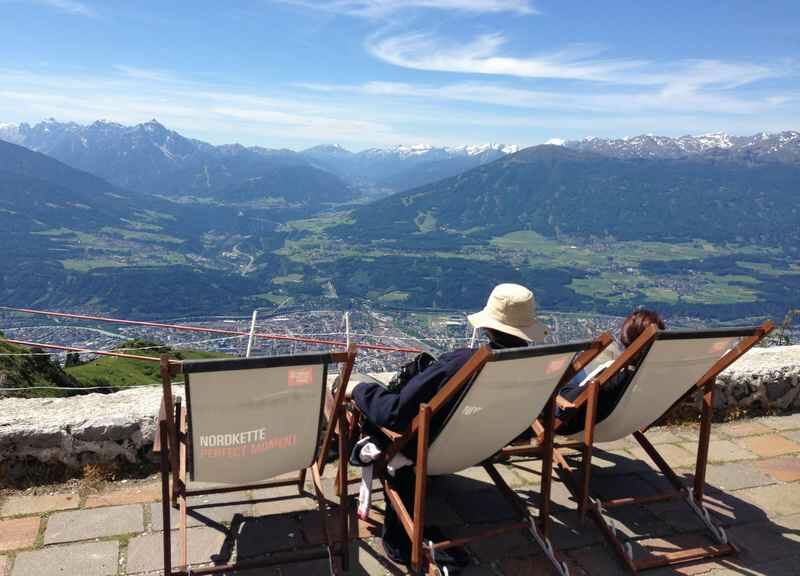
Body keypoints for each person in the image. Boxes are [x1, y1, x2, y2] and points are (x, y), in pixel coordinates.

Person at [350, 283, 547, 569]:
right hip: (488, 444)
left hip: (429, 450)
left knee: (379, 412)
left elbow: (394, 413)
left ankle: (403, 522)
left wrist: (360, 390)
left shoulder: (462, 363)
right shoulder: (538, 368)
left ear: (489, 326)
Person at [554, 309, 665, 436]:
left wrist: (554, 392)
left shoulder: (616, 377)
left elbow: (568, 403)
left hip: (574, 424)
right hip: (624, 423)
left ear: (626, 336)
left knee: (574, 367)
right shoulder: (658, 376)